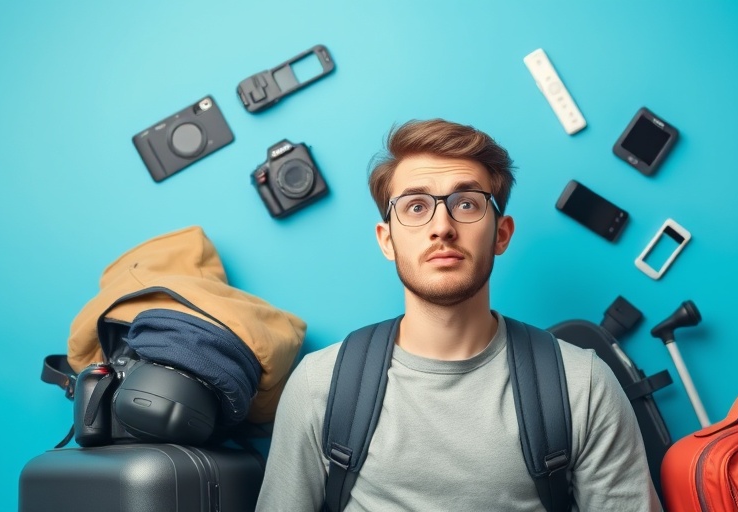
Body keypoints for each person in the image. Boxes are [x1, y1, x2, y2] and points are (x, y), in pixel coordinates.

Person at [256, 119, 662, 511]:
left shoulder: (584, 386)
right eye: (416, 206)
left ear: (501, 234)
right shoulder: (318, 387)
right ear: (387, 240)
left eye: (466, 203)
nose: (442, 227)